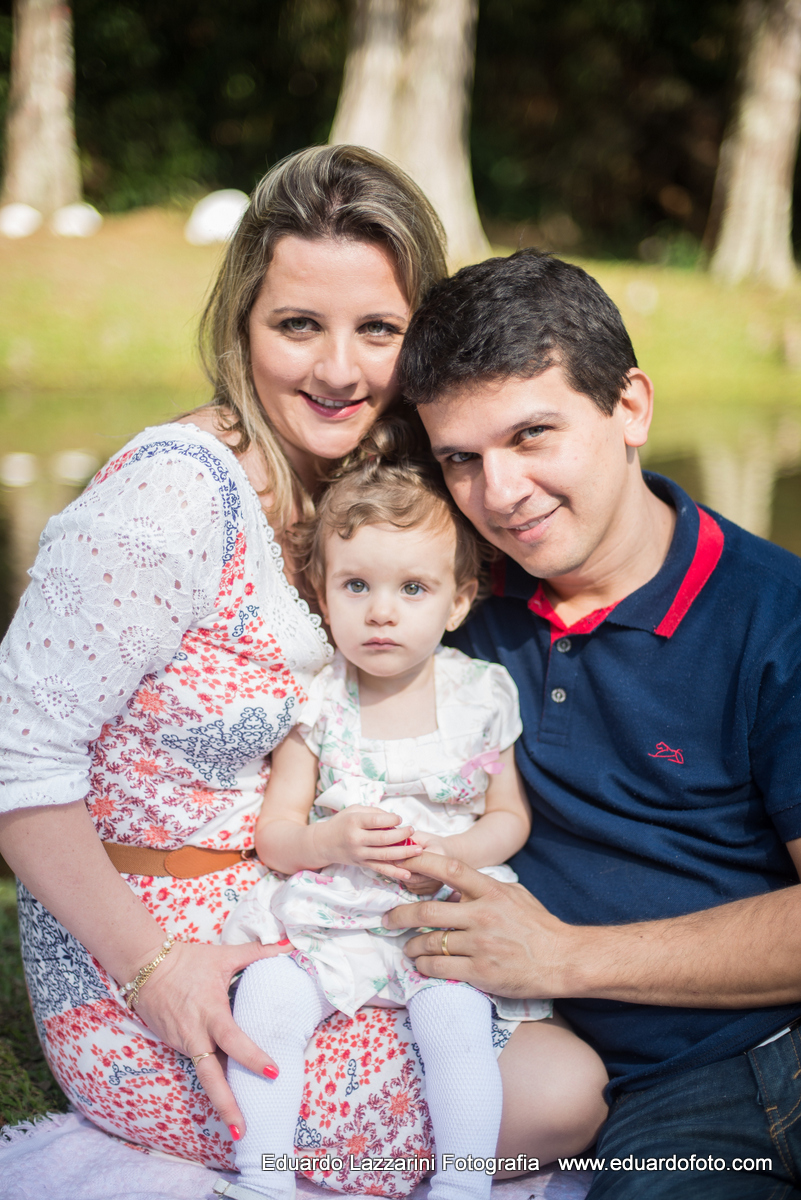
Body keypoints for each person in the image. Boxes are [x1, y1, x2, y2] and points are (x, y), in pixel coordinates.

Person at [0, 155, 605, 1187]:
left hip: (313, 916)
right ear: (241, 325)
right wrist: (155, 972)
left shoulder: (368, 487)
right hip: (149, 954)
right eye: (297, 325)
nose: (337, 370)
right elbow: (17, 761)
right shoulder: (167, 504)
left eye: (377, 329)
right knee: (557, 1096)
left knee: (564, 1059)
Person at [382, 247, 801, 1199]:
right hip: (674, 1097)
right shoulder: (447, 608)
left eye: (532, 434)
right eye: (461, 459)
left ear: (629, 408)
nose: (500, 492)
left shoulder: (775, 616)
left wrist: (561, 956)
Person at [216, 423, 605, 1200]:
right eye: (355, 586)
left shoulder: (479, 693)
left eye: (413, 589)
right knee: (269, 996)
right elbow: (277, 836)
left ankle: (462, 1184)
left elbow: (508, 818)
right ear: (320, 592)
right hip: (337, 914)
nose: (381, 613)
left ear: (458, 601)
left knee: (454, 1025)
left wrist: (448, 852)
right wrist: (330, 839)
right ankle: (262, 1176)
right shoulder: (318, 702)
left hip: (441, 916)